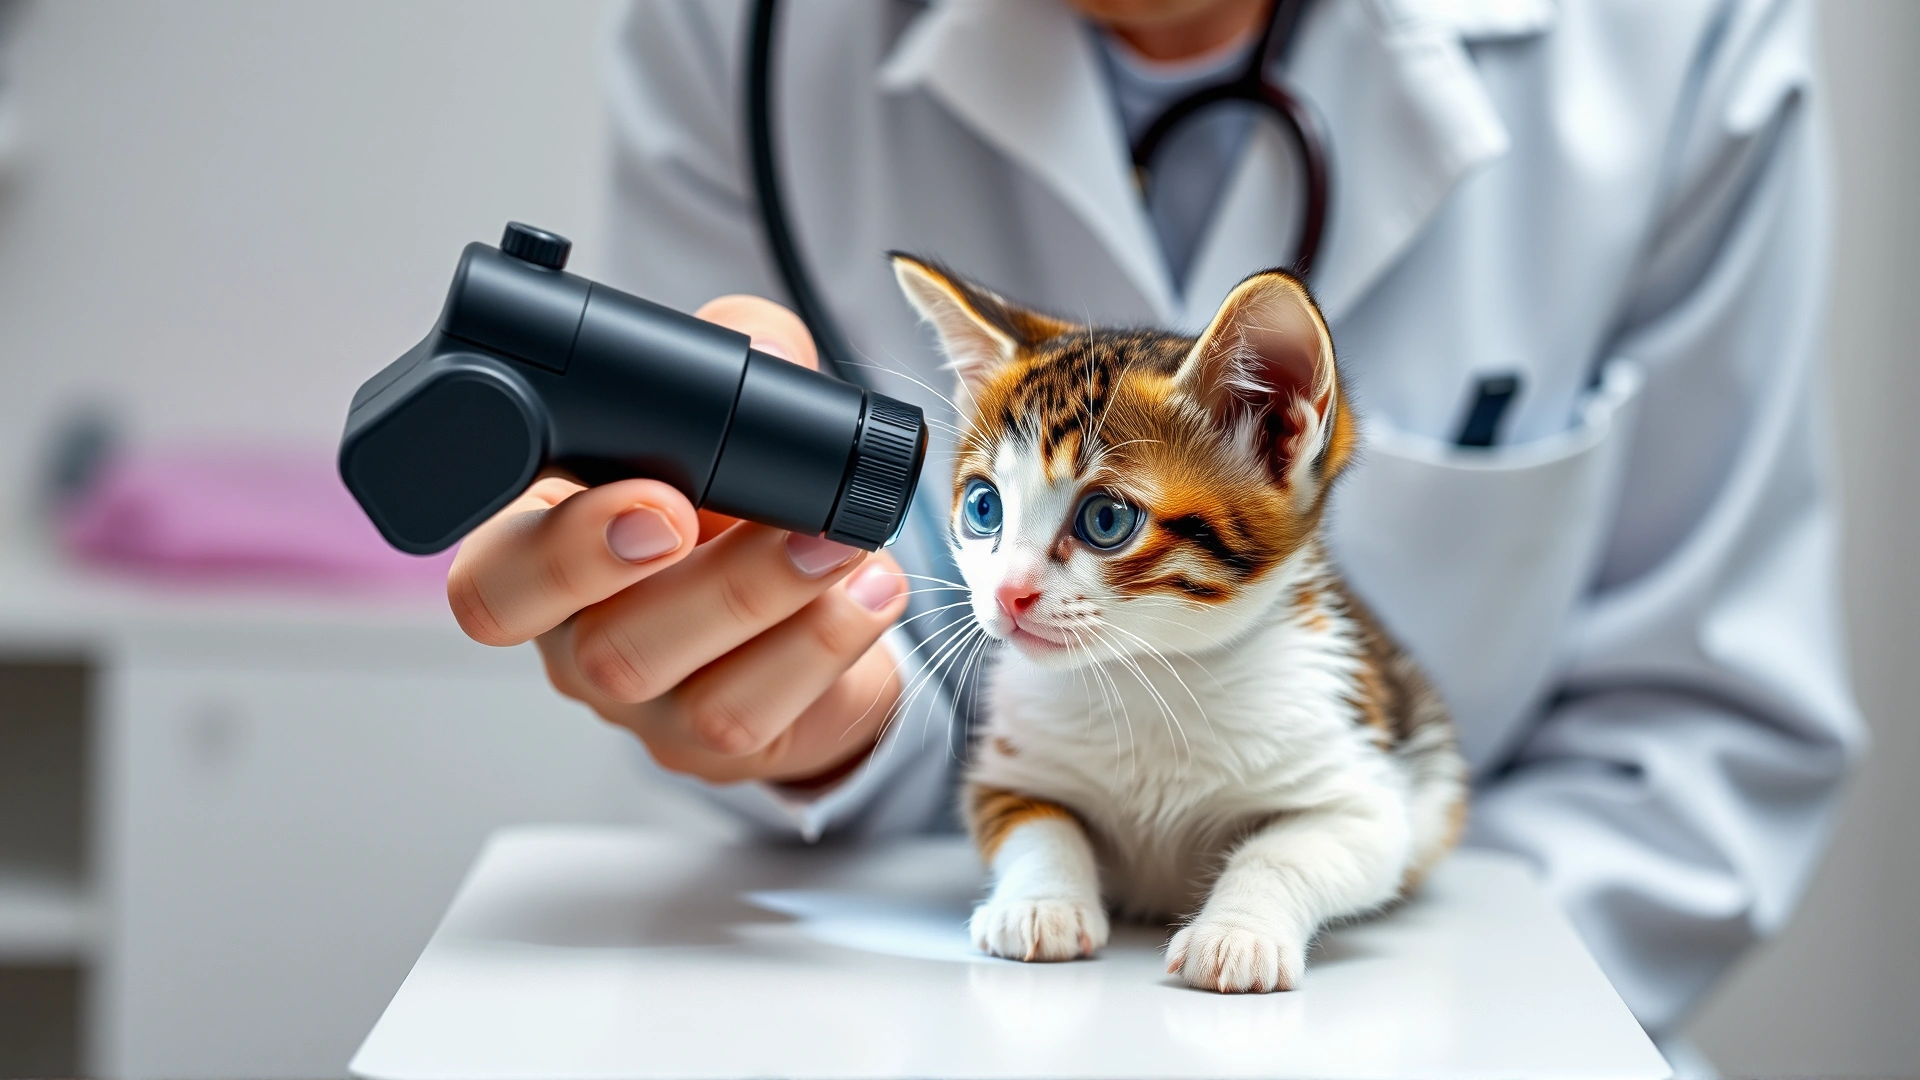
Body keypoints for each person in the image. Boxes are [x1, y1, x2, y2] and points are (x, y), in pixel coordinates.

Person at [446, 0, 1864, 1055]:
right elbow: (889, 698)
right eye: (991, 507)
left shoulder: (1682, 40)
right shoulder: (741, 35)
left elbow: (1700, 742)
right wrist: (795, 698)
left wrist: (1367, 1027)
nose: (1003, 576)